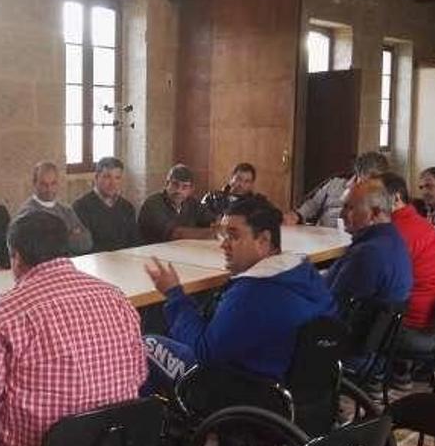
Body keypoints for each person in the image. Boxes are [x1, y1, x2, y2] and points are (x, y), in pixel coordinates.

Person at [0, 212, 146, 446]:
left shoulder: (5, 314)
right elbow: (139, 375)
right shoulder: (116, 297)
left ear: (15, 256)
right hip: (112, 445)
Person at [143, 197, 336, 390]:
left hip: (241, 391)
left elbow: (203, 352)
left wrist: (174, 294)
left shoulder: (252, 294)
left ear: (263, 240)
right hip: (297, 393)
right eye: (224, 236)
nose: (224, 245)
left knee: (144, 345)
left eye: (233, 236)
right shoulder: (306, 276)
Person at [379, 173, 435, 389]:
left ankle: (368, 380)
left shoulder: (398, 232)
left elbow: (378, 284)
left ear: (395, 198)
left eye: (374, 197)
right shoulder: (417, 223)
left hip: (416, 327)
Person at [324, 180, 412, 310]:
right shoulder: (393, 240)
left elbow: (332, 307)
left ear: (375, 213)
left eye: (350, 208)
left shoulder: (368, 254)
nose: (342, 215)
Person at [284, 151, 388, 228]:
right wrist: (298, 215)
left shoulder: (382, 195)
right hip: (321, 235)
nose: (367, 185)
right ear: (358, 173)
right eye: (365, 179)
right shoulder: (336, 182)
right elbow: (312, 203)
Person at [16, 161, 92, 255]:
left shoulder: (66, 210)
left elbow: (87, 244)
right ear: (35, 183)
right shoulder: (27, 213)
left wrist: (56, 238)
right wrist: (70, 235)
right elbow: (36, 250)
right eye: (44, 184)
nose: (49, 189)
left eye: (53, 183)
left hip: (68, 264)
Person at [72, 157, 141, 252]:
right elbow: (83, 247)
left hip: (125, 261)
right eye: (107, 177)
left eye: (117, 178)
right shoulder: (81, 207)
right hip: (95, 262)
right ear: (96, 178)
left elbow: (134, 243)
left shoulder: (127, 207)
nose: (112, 183)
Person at [138, 164, 216, 244]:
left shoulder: (191, 202)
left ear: (191, 190)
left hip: (181, 252)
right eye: (175, 184)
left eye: (184, 187)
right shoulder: (153, 204)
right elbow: (176, 234)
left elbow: (213, 221)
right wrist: (213, 232)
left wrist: (222, 226)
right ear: (167, 184)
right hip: (150, 253)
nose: (179, 190)